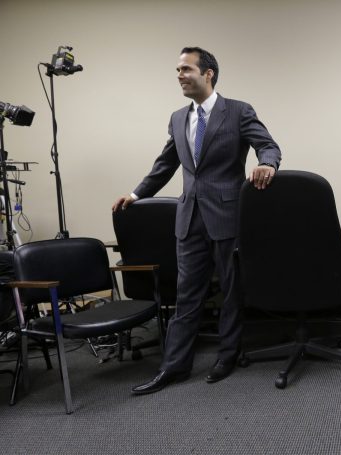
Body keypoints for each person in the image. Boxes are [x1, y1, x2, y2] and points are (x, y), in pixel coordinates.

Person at [112, 47, 281, 394]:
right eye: (177, 70)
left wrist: (267, 164)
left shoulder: (238, 111)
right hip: (188, 219)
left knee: (231, 292)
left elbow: (268, 145)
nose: (180, 75)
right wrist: (136, 194)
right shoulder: (177, 118)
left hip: (228, 216)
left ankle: (227, 356)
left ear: (208, 74)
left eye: (186, 69)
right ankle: (173, 366)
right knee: (186, 295)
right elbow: (165, 164)